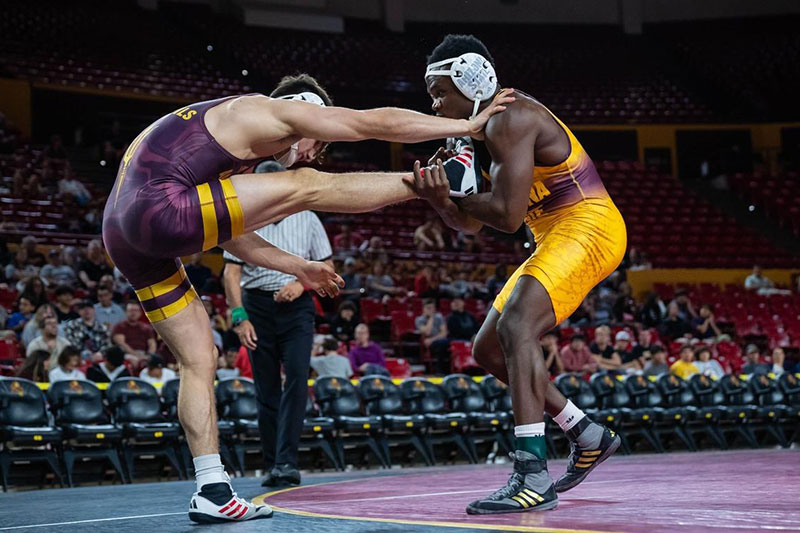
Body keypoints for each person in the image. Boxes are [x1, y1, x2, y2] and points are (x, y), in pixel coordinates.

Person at [101, 71, 510, 523]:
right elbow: (370, 123)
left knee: (200, 358)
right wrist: (465, 127)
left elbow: (224, 231)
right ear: (307, 111)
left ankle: (211, 488)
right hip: (157, 208)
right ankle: (448, 175)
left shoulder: (228, 139)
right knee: (309, 185)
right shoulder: (270, 111)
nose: (312, 151)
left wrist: (298, 266)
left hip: (124, 233)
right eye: (315, 141)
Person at [412, 34, 625, 513]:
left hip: (588, 222)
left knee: (516, 325)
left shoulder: (510, 118)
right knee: (488, 348)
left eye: (440, 92)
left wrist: (452, 196)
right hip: (555, 233)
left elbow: (506, 217)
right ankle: (585, 433)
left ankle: (532, 473)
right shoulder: (476, 134)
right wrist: (441, 201)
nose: (435, 104)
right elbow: (468, 223)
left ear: (473, 80)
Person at [222, 176, 334, 491]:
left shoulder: (308, 218)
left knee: (298, 378)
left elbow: (326, 264)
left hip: (298, 308)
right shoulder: (244, 220)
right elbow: (231, 272)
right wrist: (239, 317)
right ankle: (272, 463)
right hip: (256, 308)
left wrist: (301, 284)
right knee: (265, 387)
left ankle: (288, 462)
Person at [415, 299, 450, 374]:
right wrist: (431, 318)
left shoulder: (439, 317)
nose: (431, 310)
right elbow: (427, 332)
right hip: (429, 344)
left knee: (444, 343)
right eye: (428, 308)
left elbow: (444, 333)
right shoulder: (419, 320)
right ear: (423, 309)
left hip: (436, 340)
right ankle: (439, 370)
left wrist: (432, 339)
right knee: (442, 345)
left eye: (432, 308)